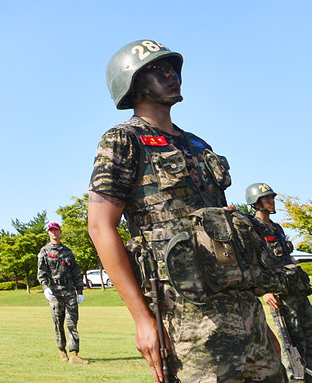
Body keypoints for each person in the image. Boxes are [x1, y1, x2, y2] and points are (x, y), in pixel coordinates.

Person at [87, 39, 286, 382]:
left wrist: (257, 318)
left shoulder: (197, 144)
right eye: (155, 69)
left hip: (243, 307)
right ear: (132, 83)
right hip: (186, 316)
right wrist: (141, 318)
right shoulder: (122, 140)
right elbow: (100, 226)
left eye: (171, 67)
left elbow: (226, 232)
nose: (169, 74)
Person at [246, 182, 312, 382]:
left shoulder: (276, 228)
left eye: (272, 197)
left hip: (298, 292)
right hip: (281, 298)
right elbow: (252, 263)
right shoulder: (253, 229)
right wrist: (264, 291)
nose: (272, 201)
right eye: (267, 198)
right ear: (256, 202)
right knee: (294, 349)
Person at [37, 221, 88, 365]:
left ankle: (74, 354)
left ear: (60, 232)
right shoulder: (45, 251)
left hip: (70, 291)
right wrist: (45, 287)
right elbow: (41, 273)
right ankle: (62, 351)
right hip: (55, 292)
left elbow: (76, 272)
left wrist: (79, 291)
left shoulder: (67, 251)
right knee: (58, 323)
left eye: (56, 230)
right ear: (48, 233)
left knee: (72, 322)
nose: (54, 233)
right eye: (51, 230)